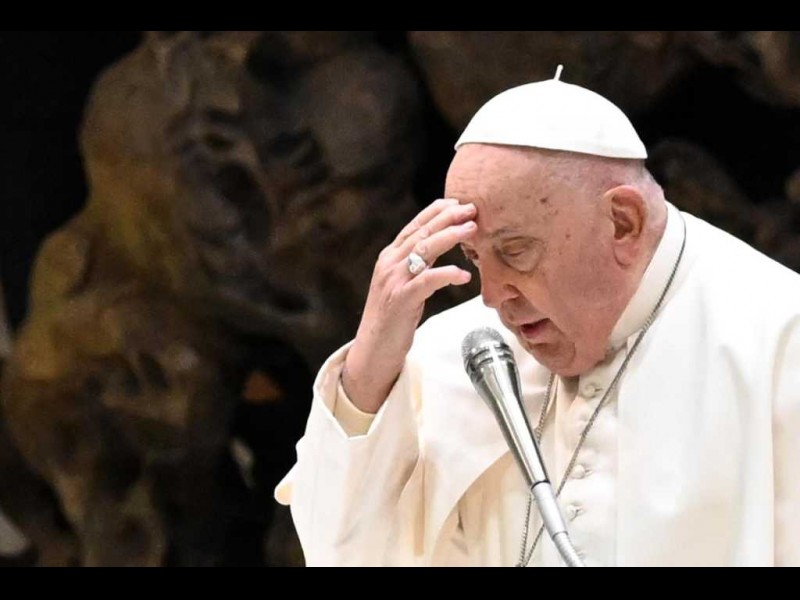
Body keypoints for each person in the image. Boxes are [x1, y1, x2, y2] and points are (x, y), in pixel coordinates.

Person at [274, 68, 800, 566]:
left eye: (516, 251)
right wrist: (369, 369)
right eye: (474, 257)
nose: (492, 296)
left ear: (623, 222)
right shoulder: (458, 352)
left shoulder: (778, 336)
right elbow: (341, 552)